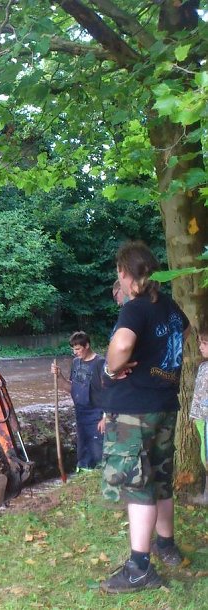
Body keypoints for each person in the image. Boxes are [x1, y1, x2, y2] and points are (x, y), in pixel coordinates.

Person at [99, 241, 190, 594]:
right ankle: (166, 545)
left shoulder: (135, 309)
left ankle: (139, 568)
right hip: (165, 405)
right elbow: (184, 331)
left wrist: (112, 367)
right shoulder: (168, 306)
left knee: (137, 484)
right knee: (161, 477)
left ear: (124, 272)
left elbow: (122, 345)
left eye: (119, 273)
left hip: (135, 410)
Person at [51, 331, 105, 471]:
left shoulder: (100, 363)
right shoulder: (76, 362)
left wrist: (106, 417)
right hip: (80, 412)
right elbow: (70, 388)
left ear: (87, 345)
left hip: (97, 413)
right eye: (73, 349)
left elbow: (109, 391)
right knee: (83, 447)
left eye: (78, 349)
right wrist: (59, 376)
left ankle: (99, 472)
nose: (75, 352)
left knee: (97, 448)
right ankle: (83, 470)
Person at [188, 330, 208, 505]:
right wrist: (195, 415)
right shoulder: (203, 367)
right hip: (201, 419)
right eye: (200, 343)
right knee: (205, 455)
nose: (200, 347)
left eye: (205, 344)